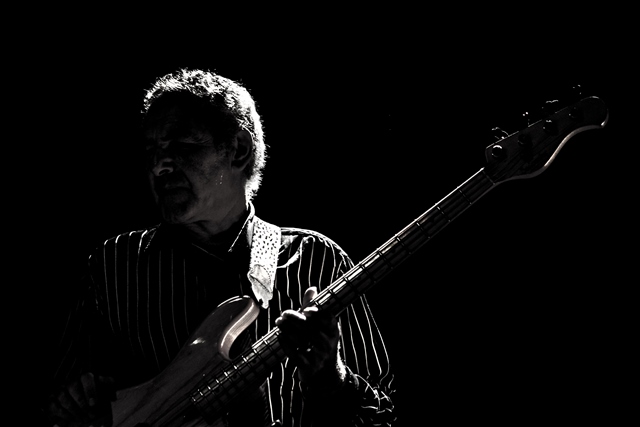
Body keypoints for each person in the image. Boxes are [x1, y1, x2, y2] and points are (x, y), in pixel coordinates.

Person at [41, 68, 396, 427]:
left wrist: (331, 378)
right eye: (151, 149)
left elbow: (382, 419)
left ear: (239, 150)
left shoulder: (317, 261)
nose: (159, 165)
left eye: (182, 146)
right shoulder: (114, 268)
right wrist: (74, 404)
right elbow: (62, 406)